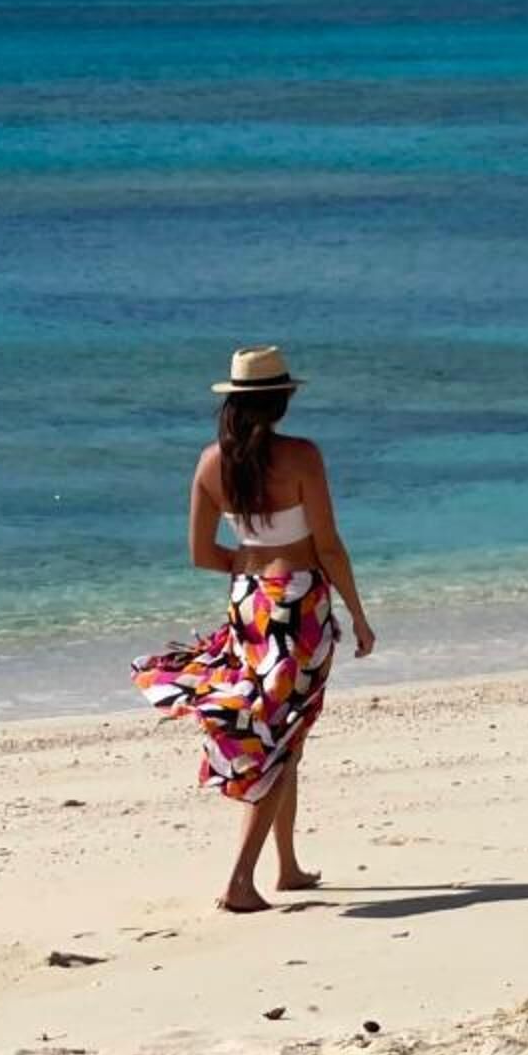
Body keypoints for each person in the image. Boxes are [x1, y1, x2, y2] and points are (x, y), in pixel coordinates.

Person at [131, 344, 377, 912]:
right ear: (282, 400)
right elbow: (329, 547)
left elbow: (200, 553)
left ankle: (287, 867)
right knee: (282, 742)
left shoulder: (211, 463)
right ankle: (241, 881)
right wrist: (358, 615)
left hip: (248, 604)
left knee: (283, 735)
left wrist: (251, 570)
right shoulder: (302, 456)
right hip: (298, 606)